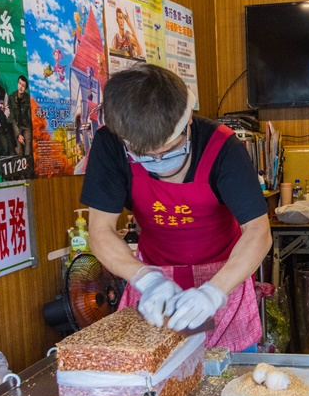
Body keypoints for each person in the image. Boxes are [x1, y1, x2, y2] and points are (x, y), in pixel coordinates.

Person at [82, 65, 270, 351]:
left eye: (170, 150)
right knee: (152, 375)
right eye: (145, 155)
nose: (158, 162)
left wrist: (213, 292)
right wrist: (144, 278)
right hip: (153, 278)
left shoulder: (223, 147)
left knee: (229, 380)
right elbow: (100, 230)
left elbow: (258, 231)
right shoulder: (110, 145)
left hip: (224, 276)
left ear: (188, 122)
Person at [9, 75, 34, 166]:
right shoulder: (11, 97)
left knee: (28, 145)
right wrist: (18, 134)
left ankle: (26, 168)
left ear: (26, 88)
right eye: (19, 84)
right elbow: (12, 118)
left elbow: (31, 114)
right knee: (19, 149)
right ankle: (20, 173)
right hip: (16, 126)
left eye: (23, 85)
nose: (21, 87)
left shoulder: (28, 98)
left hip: (26, 125)